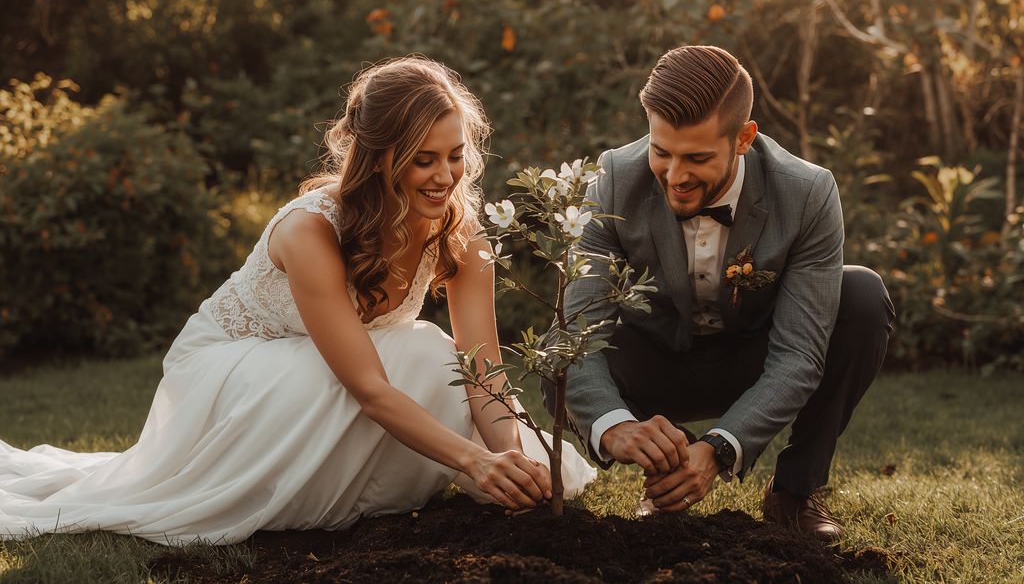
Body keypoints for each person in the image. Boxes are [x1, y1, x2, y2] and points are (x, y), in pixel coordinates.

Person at [0, 56, 595, 546]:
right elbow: (367, 386)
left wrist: (510, 460)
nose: (447, 176)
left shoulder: (461, 233)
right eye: (425, 159)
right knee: (414, 352)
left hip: (333, 373)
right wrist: (471, 462)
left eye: (456, 155)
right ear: (381, 156)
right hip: (232, 372)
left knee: (431, 357)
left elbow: (481, 367)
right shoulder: (311, 230)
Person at [547, 45, 894, 543]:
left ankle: (795, 493)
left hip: (754, 358)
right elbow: (579, 326)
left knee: (860, 293)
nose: (675, 175)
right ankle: (667, 471)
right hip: (656, 359)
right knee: (560, 359)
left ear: (744, 138)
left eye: (698, 157)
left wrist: (718, 449)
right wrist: (617, 426)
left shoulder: (807, 193)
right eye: (661, 151)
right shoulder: (614, 178)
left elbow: (799, 352)